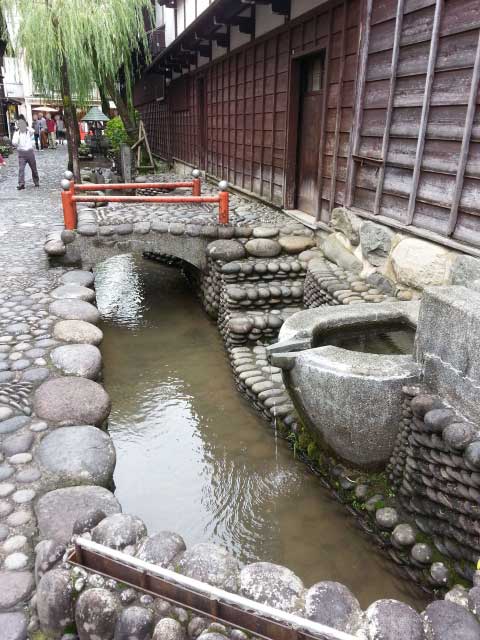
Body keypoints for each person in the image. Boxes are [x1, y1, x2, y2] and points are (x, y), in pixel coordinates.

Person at [12, 117, 39, 190]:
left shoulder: (28, 131)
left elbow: (33, 131)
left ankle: (36, 181)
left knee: (34, 168)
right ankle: (21, 184)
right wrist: (18, 133)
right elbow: (14, 143)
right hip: (21, 153)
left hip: (30, 152)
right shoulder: (17, 133)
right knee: (21, 169)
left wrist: (26, 126)